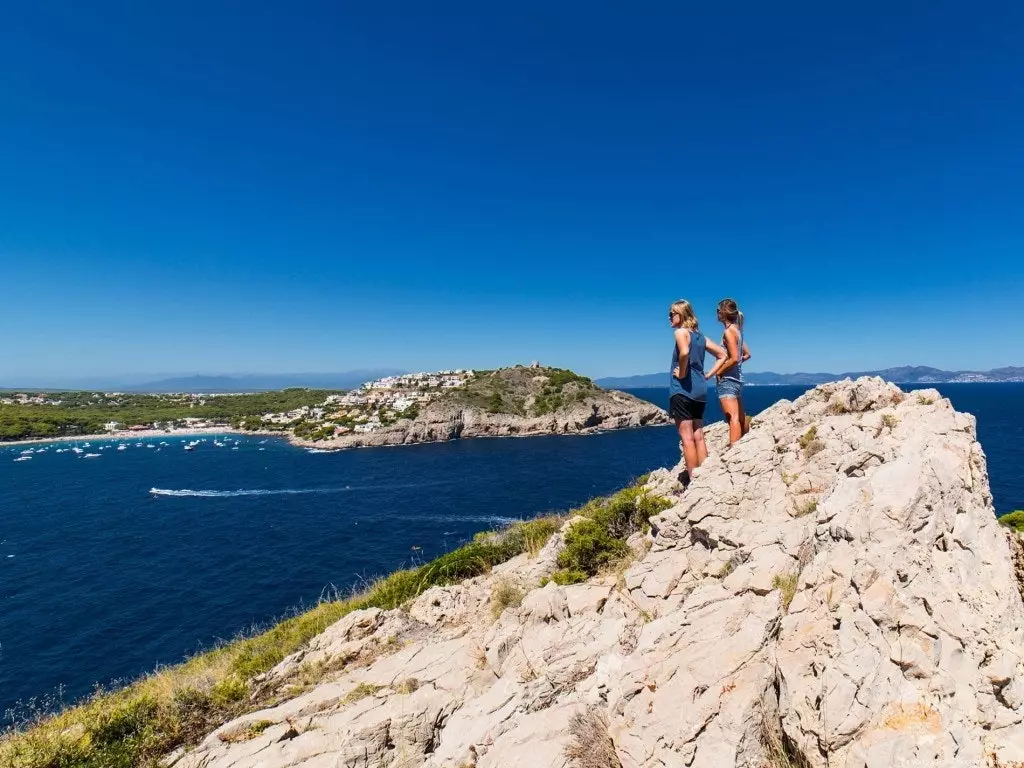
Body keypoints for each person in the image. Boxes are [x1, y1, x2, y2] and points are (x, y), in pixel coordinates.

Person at [668, 300, 726, 478]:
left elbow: (684, 352)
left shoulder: (681, 332)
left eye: (672, 313)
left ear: (682, 314)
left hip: (683, 389)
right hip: (700, 390)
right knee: (698, 434)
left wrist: (682, 373)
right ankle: (706, 475)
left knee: (687, 438)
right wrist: (707, 375)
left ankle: (694, 481)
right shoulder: (701, 337)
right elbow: (722, 355)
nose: (669, 317)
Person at [705, 298, 752, 445]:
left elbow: (734, 358)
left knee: (732, 418)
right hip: (737, 379)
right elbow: (746, 355)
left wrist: (719, 371)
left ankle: (735, 452)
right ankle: (745, 445)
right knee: (739, 416)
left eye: (718, 310)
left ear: (723, 313)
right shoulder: (738, 331)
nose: (716, 313)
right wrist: (735, 363)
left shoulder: (728, 332)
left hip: (727, 380)